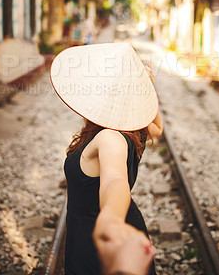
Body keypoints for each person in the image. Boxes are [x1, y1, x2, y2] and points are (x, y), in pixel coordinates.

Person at [50, 42, 163, 275]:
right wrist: (148, 87)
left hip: (96, 245)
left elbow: (115, 181)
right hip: (102, 232)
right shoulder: (133, 127)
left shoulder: (110, 137)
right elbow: (158, 129)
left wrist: (111, 221)